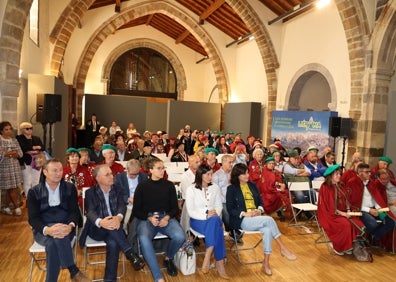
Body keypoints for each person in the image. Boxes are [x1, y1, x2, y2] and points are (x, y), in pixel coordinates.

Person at [226, 163, 296, 276]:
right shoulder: (231, 189)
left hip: (256, 216)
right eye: (244, 174)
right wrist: (245, 213)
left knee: (268, 230)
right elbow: (230, 209)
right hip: (242, 220)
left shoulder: (253, 185)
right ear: (237, 175)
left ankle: (266, 262)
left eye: (247, 172)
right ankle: (283, 248)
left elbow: (260, 202)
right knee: (269, 220)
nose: (247, 175)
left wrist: (259, 210)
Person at [27, 159, 90, 282]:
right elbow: (33, 219)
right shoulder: (34, 192)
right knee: (54, 240)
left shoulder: (70, 188)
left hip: (66, 228)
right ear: (45, 172)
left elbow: (74, 211)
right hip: (43, 231)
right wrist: (48, 230)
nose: (59, 173)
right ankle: (73, 270)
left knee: (52, 244)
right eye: (54, 170)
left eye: (60, 170)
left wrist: (70, 226)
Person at [79, 164, 145, 281]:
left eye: (111, 173)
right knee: (110, 224)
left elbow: (121, 206)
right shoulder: (90, 192)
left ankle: (110, 279)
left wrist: (118, 218)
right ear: (98, 178)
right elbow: (90, 212)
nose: (112, 176)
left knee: (114, 243)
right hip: (97, 229)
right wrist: (101, 222)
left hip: (115, 226)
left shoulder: (118, 190)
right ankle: (130, 253)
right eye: (107, 174)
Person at [132, 159, 185, 282]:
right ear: (150, 170)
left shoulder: (169, 185)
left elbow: (174, 209)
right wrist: (149, 218)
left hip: (166, 217)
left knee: (180, 236)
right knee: (144, 239)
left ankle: (168, 258)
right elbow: (136, 210)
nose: (162, 171)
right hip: (147, 218)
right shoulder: (142, 186)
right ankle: (158, 277)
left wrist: (166, 217)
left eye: (163, 168)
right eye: (159, 168)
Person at [185, 164, 229, 279]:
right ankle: (219, 264)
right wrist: (206, 215)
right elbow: (191, 211)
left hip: (213, 218)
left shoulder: (215, 187)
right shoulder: (191, 189)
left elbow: (219, 206)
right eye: (208, 174)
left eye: (211, 174)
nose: (211, 177)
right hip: (197, 221)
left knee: (214, 221)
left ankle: (208, 254)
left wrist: (213, 212)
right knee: (217, 228)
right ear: (200, 175)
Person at [317, 164, 366, 257]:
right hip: (329, 215)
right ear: (331, 176)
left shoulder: (340, 185)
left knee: (357, 222)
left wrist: (348, 210)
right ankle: (339, 247)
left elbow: (346, 200)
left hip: (342, 213)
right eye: (337, 174)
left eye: (340, 174)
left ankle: (348, 246)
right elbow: (330, 207)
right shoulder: (325, 187)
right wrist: (343, 214)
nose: (340, 176)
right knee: (345, 224)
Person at [346, 163, 395, 244]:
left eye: (369, 171)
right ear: (360, 173)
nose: (370, 173)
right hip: (361, 210)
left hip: (374, 209)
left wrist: (379, 208)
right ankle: (363, 238)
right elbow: (353, 203)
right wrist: (369, 210)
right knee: (372, 224)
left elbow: (376, 197)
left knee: (391, 222)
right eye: (367, 172)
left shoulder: (371, 182)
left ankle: (373, 236)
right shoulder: (352, 183)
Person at [114, 159, 149, 231]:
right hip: (125, 204)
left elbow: (147, 192)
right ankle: (127, 231)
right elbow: (116, 194)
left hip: (140, 204)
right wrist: (128, 199)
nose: (134, 176)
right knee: (127, 219)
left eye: (136, 174)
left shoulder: (144, 177)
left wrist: (139, 200)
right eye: (132, 174)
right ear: (126, 169)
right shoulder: (119, 178)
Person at [0, 121, 23, 215]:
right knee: (9, 188)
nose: (9, 131)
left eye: (10, 129)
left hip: (14, 166)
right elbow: (1, 154)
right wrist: (10, 153)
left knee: (12, 187)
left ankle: (6, 207)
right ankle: (16, 207)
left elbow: (20, 153)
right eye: (6, 129)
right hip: (4, 167)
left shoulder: (14, 140)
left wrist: (9, 153)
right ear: (1, 131)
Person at [16, 121, 44, 197]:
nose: (29, 130)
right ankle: (29, 199)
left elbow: (42, 147)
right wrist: (34, 147)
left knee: (36, 180)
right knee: (27, 181)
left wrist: (31, 150)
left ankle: (36, 198)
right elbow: (23, 149)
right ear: (22, 130)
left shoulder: (36, 138)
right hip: (26, 162)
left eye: (31, 128)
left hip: (37, 162)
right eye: (27, 128)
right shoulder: (19, 138)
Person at [212, 154, 234, 233]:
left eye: (232, 162)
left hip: (233, 200)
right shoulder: (216, 175)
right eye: (230, 162)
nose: (232, 164)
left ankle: (234, 231)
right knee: (227, 214)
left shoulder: (233, 174)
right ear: (223, 163)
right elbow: (215, 192)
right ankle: (233, 232)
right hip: (222, 201)